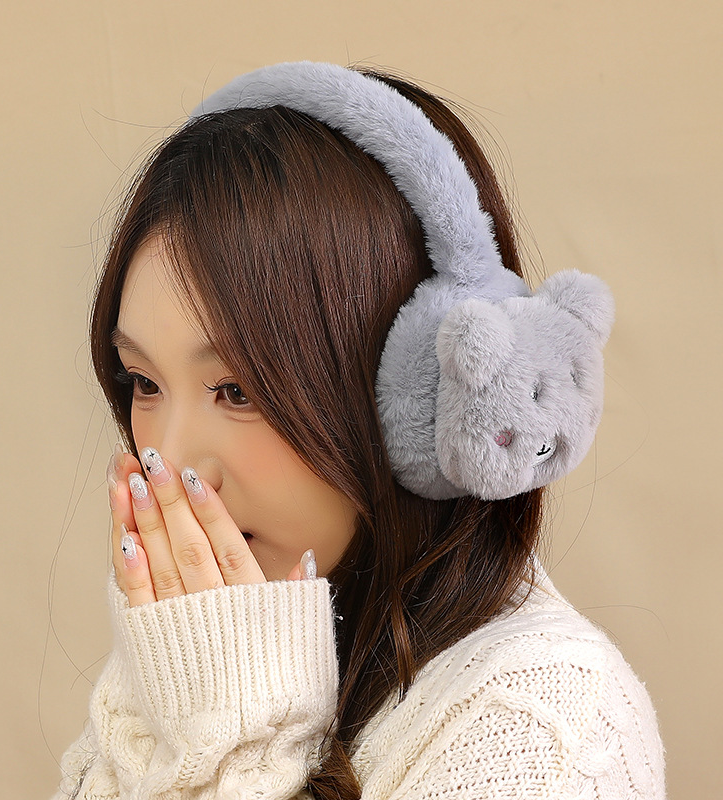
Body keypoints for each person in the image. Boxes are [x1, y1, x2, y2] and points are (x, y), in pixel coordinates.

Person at [53, 62, 665, 799]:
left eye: (238, 390)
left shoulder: (541, 726)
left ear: (423, 401)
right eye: (144, 383)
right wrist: (186, 678)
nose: (171, 460)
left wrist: (227, 745)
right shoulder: (210, 640)